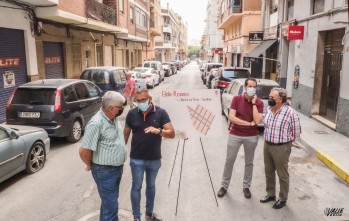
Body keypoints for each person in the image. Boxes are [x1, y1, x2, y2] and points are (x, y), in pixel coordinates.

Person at [124, 88, 175, 221]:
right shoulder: (132, 114)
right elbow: (125, 134)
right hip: (136, 159)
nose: (141, 103)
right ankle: (136, 216)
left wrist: (158, 131)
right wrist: (121, 151)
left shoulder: (161, 113)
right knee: (136, 187)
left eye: (143, 100)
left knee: (151, 186)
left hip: (154, 159)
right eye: (138, 100)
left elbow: (172, 133)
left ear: (150, 99)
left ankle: (149, 213)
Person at [79, 91, 127, 221]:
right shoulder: (96, 123)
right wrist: (89, 164)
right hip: (104, 171)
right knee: (111, 207)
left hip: (116, 169)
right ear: (111, 108)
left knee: (108, 204)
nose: (123, 109)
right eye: (120, 107)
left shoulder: (113, 118)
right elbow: (84, 151)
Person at [217, 78, 264, 199]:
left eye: (254, 86)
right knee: (229, 161)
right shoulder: (236, 99)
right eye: (249, 86)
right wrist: (248, 124)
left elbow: (257, 120)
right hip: (235, 134)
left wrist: (253, 103)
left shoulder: (259, 103)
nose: (252, 88)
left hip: (251, 136)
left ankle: (246, 187)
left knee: (249, 162)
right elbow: (232, 118)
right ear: (245, 87)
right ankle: (224, 186)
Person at [259, 87, 301, 209]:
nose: (269, 99)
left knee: (282, 174)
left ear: (280, 99)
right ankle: (270, 194)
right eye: (269, 96)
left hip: (281, 148)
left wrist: (287, 144)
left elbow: (296, 133)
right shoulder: (268, 109)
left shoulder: (290, 113)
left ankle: (283, 198)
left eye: (272, 97)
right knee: (268, 171)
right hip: (267, 145)